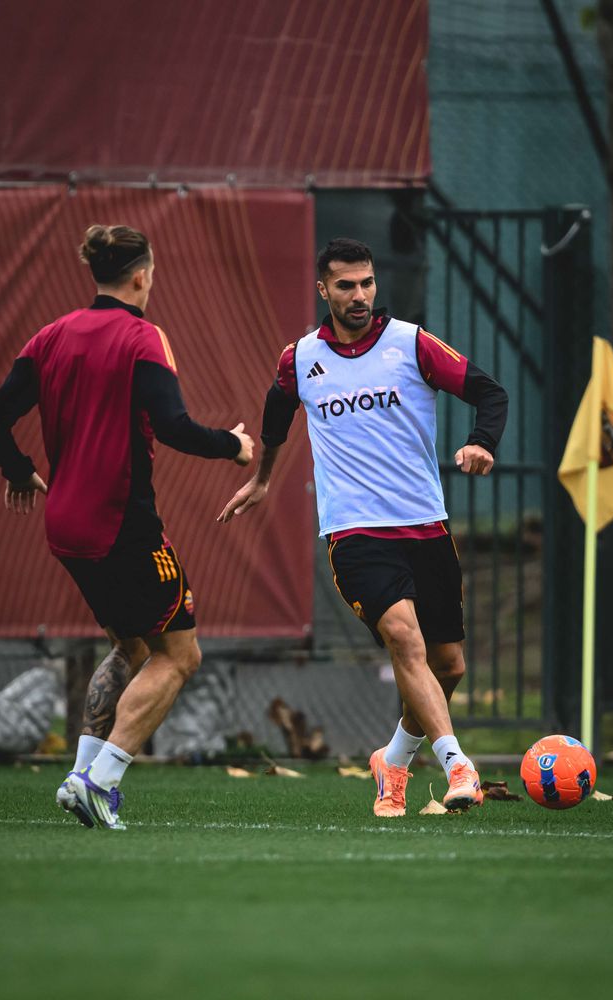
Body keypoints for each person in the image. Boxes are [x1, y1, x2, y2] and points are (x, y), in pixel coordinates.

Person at [218, 237, 508, 815]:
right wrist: (265, 477)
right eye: (346, 285)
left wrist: (481, 443)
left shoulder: (411, 343)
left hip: (426, 525)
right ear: (323, 289)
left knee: (447, 665)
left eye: (367, 283)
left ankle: (393, 760)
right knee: (405, 638)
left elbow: (488, 392)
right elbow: (277, 414)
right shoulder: (299, 357)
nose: (360, 296)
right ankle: (459, 766)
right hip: (355, 531)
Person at [0, 224, 254, 830]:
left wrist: (20, 471)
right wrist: (233, 447)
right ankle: (95, 780)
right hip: (121, 525)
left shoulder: (49, 336)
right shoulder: (141, 337)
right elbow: (176, 426)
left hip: (66, 528)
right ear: (141, 276)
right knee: (181, 655)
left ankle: (79, 777)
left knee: (131, 647)